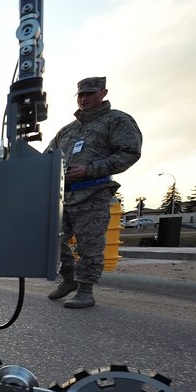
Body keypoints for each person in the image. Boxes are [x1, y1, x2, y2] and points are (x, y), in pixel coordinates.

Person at [45, 77, 142, 308]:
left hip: (93, 193)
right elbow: (47, 156)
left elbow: (130, 152)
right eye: (80, 95)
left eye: (89, 93)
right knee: (50, 239)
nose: (84, 99)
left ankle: (86, 290)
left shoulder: (116, 120)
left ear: (103, 92)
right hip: (63, 197)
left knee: (90, 244)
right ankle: (69, 280)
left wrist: (90, 169)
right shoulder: (68, 130)